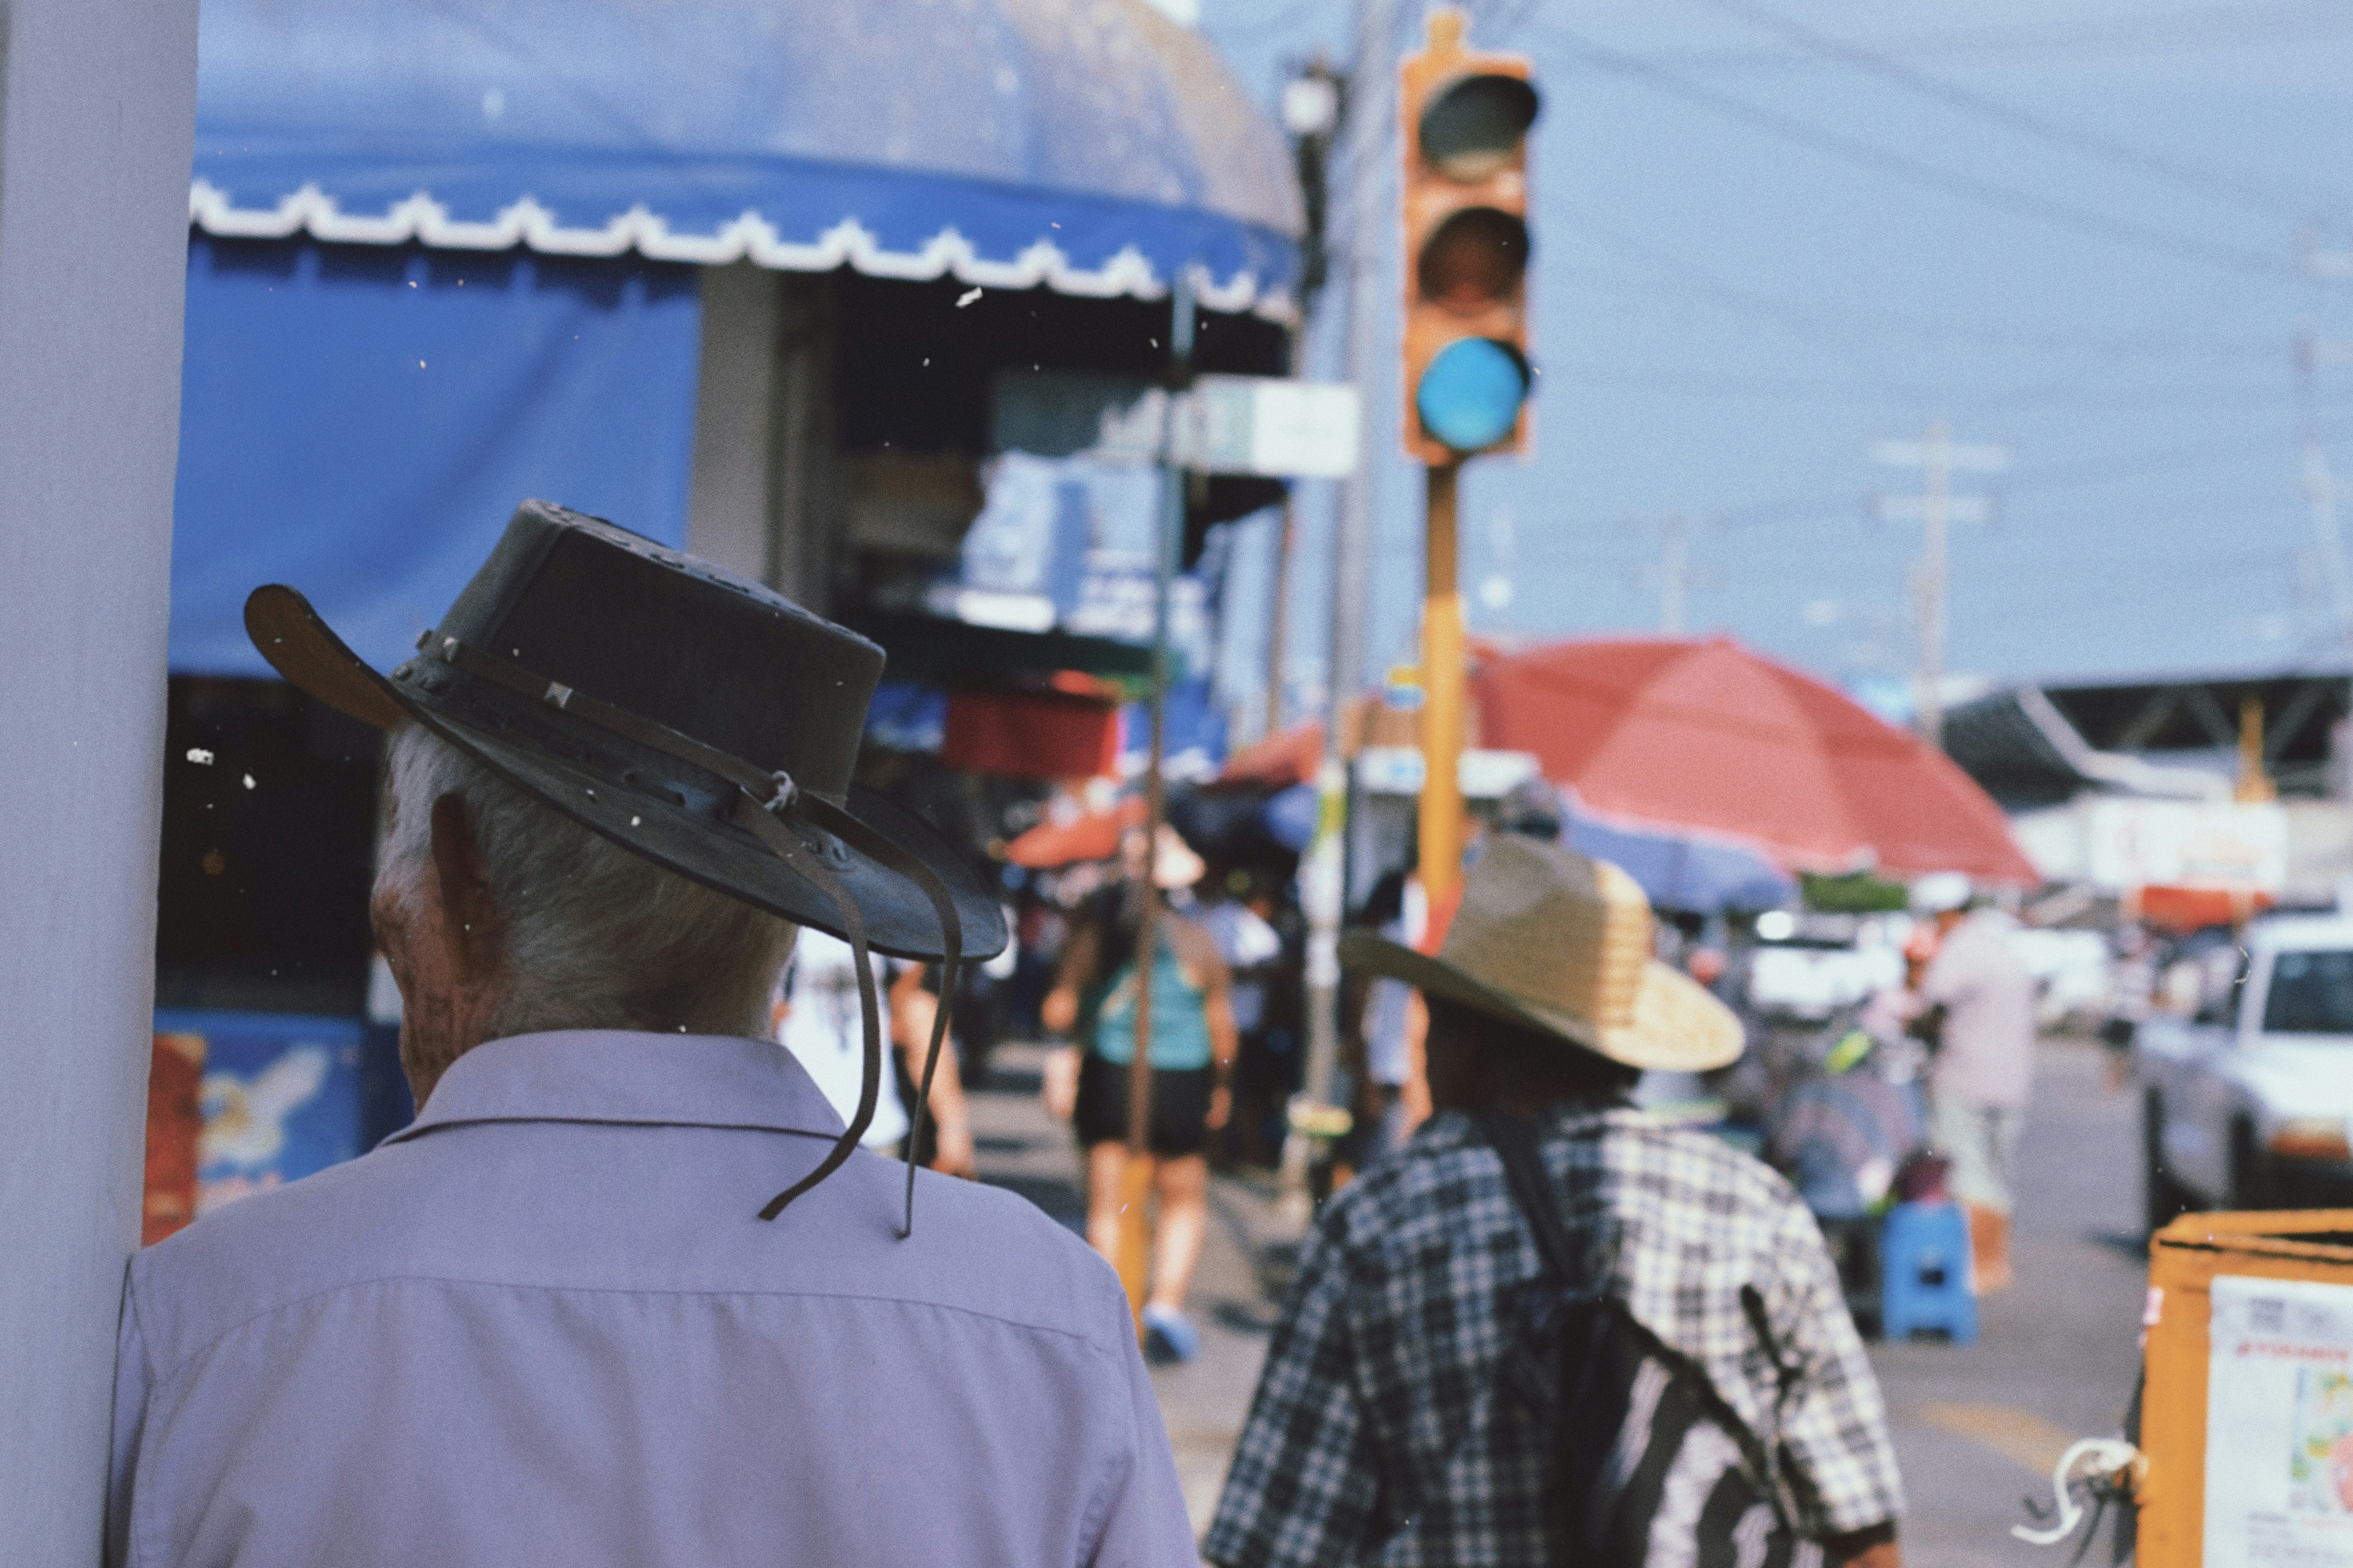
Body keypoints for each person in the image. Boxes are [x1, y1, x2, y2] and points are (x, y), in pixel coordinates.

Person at [108, 503, 1193, 1567]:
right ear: (783, 913)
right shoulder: (1044, 1326)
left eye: (390, 848)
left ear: (461, 878)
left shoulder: (217, 1323)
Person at [1205, 836, 1904, 1568]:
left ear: (1466, 1046)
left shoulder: (1378, 1224)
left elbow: (1278, 1545)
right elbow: (1860, 1530)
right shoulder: (1753, 1209)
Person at [1041, 824, 1239, 1364]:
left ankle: (1114, 1312)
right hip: (1182, 1078)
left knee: (1107, 1204)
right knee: (1182, 1198)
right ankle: (1166, 1305)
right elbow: (1224, 1031)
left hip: (1113, 1072)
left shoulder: (1097, 937)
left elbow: (1056, 1009)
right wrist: (1221, 1086)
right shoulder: (1199, 941)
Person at [1909, 871, 2037, 1294]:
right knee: (1999, 1174)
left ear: (1945, 914)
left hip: (1964, 1076)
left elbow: (1930, 1006)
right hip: (2012, 1080)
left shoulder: (1960, 950)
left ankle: (1978, 1267)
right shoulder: (2002, 949)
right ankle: (1995, 1263)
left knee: (1967, 1173)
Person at [773, 928, 975, 1176]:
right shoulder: (783, 922)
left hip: (879, 1129)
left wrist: (952, 1128)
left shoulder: (875, 916)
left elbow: (919, 1009)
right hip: (798, 1128)